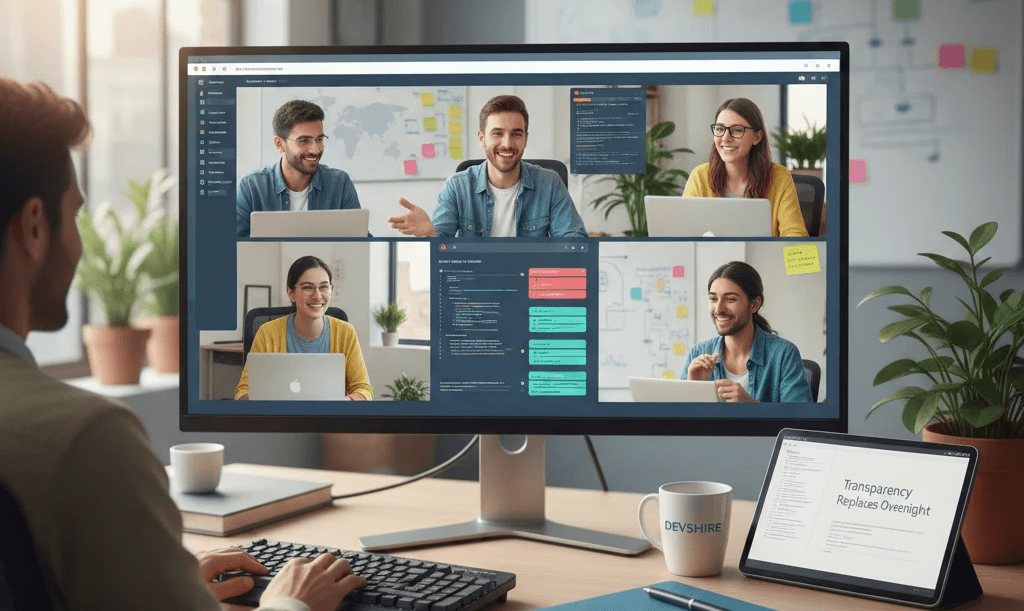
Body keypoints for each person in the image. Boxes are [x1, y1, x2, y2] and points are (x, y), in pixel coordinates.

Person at [0, 77, 365, 611]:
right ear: (35, 226)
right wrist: (293, 603)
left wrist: (155, 576)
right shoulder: (85, 440)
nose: (78, 243)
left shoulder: (344, 323)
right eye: (76, 215)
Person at [388, 94, 587, 237]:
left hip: (530, 285)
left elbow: (575, 241)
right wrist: (430, 234)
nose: (507, 144)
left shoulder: (550, 184)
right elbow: (441, 247)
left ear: (525, 139)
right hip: (475, 287)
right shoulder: (458, 186)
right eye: (497, 133)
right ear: (481, 138)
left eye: (516, 134)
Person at [236, 255, 373, 401]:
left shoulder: (346, 332)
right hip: (281, 418)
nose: (317, 295)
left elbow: (364, 389)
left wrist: (344, 403)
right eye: (307, 287)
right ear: (291, 293)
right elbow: (243, 390)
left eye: (324, 287)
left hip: (331, 419)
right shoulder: (267, 332)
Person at [683, 261, 812, 403]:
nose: (718, 309)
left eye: (730, 299)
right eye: (713, 299)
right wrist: (693, 388)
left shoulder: (784, 354)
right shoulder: (698, 353)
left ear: (754, 304)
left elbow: (800, 417)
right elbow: (678, 421)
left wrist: (752, 407)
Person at [683, 98, 809, 238]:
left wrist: (800, 260)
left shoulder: (780, 177)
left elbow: (797, 235)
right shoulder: (699, 176)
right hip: (712, 259)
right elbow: (682, 234)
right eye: (719, 129)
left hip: (762, 259)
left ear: (756, 137)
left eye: (737, 130)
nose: (725, 138)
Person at [237, 100, 362, 238]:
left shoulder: (340, 183)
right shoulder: (251, 187)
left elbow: (359, 238)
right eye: (304, 141)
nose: (315, 150)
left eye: (319, 140)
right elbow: (232, 244)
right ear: (280, 144)